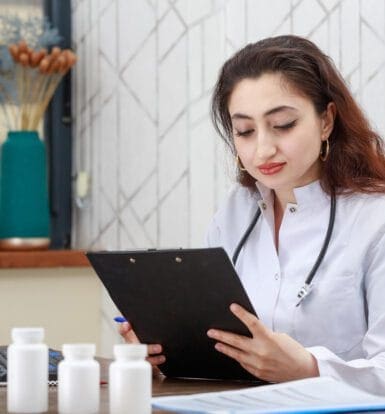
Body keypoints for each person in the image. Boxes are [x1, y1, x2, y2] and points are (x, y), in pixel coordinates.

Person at [119, 35, 385, 395]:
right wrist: (164, 353)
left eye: (283, 124)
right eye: (244, 131)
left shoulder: (375, 220)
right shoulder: (236, 211)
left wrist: (308, 369)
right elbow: (215, 347)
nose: (262, 149)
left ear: (326, 121)